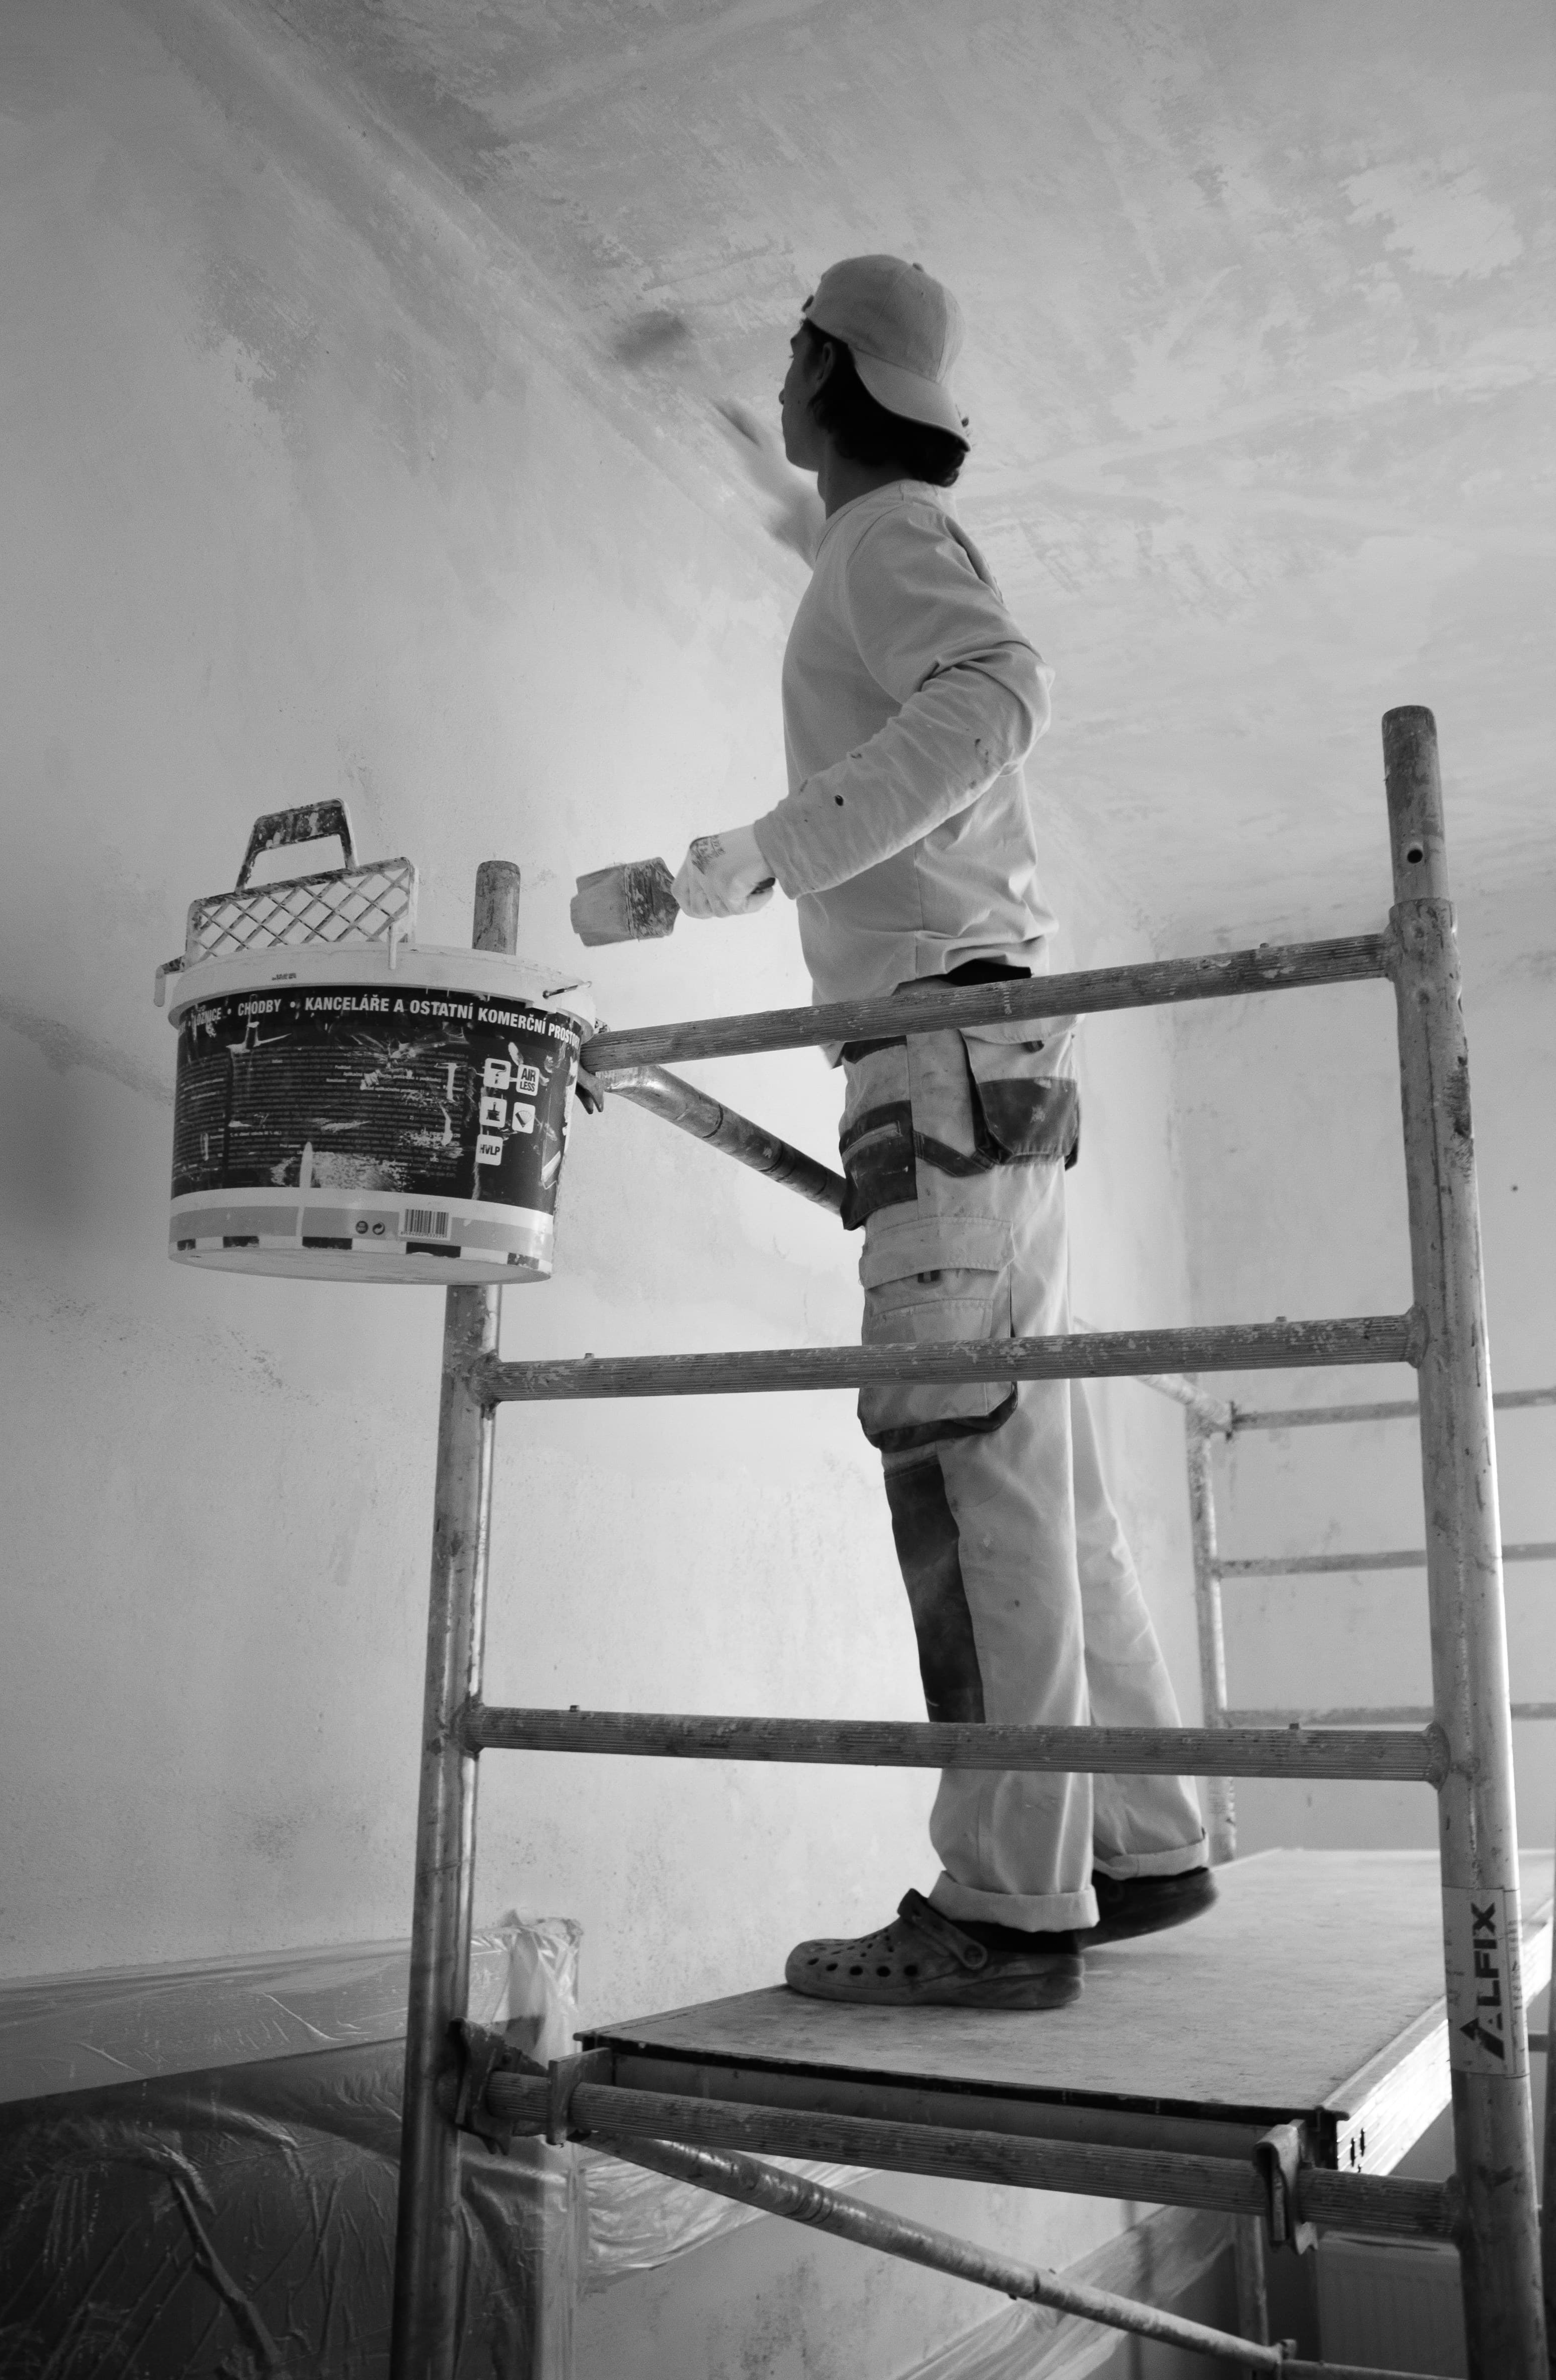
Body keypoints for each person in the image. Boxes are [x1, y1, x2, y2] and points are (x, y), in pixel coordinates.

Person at [673, 256, 1212, 2012]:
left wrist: (763, 853)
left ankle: (1004, 1903)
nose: (775, 381)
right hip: (994, 1054)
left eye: (789, 355)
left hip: (940, 1056)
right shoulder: (871, 538)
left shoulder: (886, 539)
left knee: (966, 1463)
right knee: (1037, 1466)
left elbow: (996, 698)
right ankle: (1139, 1840)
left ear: (827, 370)